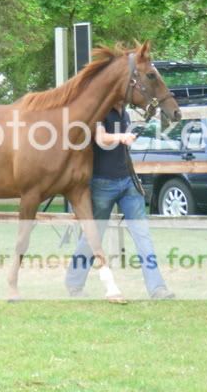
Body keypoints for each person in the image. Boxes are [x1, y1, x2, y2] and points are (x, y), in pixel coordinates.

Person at [65, 101, 174, 299]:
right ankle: (74, 280)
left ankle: (157, 288)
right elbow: (100, 139)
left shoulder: (125, 113)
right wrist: (122, 137)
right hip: (102, 184)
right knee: (92, 236)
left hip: (128, 182)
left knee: (142, 235)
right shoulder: (100, 110)